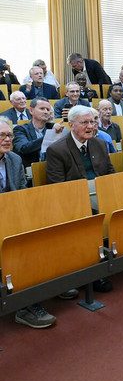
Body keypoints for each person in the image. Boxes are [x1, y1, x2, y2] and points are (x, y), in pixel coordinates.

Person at [1, 116, 76, 328]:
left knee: (49, 232)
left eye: (9, 135)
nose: (7, 140)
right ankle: (26, 307)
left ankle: (51, 285)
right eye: (2, 136)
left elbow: (23, 192)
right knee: (24, 246)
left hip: (14, 217)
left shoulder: (14, 159)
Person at [45, 105, 115, 183]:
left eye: (92, 122)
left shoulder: (100, 144)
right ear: (71, 125)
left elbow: (110, 173)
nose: (90, 126)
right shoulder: (56, 150)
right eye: (84, 122)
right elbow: (58, 185)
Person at [12, 97, 65, 168]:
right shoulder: (20, 129)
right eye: (42, 109)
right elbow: (23, 148)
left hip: (52, 169)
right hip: (30, 171)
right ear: (31, 111)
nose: (46, 112)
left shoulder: (52, 128)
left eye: (48, 109)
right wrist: (50, 135)